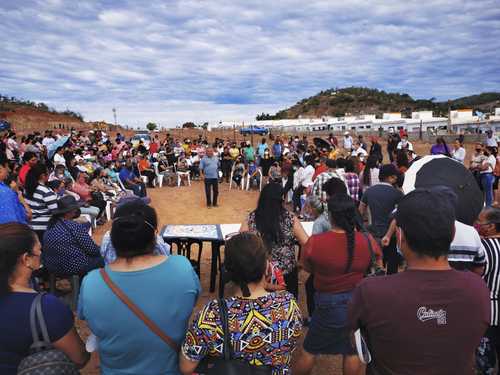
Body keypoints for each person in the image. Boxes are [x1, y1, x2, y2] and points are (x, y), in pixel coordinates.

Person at [348, 188, 490, 375]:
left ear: (400, 236)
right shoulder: (477, 288)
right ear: (453, 232)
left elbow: (355, 340)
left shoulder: (370, 291)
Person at [78, 203, 200, 374]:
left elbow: (88, 319)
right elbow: (192, 301)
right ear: (154, 236)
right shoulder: (182, 268)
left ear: (112, 237)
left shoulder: (92, 282)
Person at [180, 232, 303, 374]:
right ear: (267, 267)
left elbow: (186, 367)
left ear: (228, 271)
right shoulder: (289, 305)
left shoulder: (212, 315)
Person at [294, 195, 382, 375]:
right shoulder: (366, 240)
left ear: (331, 215)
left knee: (310, 349)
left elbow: (307, 266)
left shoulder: (316, 242)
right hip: (357, 302)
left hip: (328, 302)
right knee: (351, 349)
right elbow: (378, 263)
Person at [0, 223, 89, 374]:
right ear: (26, 259)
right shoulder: (46, 307)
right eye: (39, 249)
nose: (41, 253)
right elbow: (79, 358)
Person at [240, 183, 308, 298]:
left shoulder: (252, 218)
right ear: (281, 199)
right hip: (286, 273)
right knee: (287, 307)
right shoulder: (290, 218)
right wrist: (301, 263)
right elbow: (306, 242)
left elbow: (240, 241)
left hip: (259, 273)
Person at [43, 196, 104, 276]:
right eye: (75, 208)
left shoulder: (51, 225)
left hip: (51, 266)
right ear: (69, 211)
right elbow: (92, 250)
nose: (76, 210)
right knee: (102, 259)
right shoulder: (73, 226)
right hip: (72, 267)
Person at [359, 164, 403, 274]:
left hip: (373, 234)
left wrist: (362, 231)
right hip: (391, 235)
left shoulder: (369, 191)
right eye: (394, 176)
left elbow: (359, 212)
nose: (396, 178)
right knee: (392, 267)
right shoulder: (397, 194)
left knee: (376, 266)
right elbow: (398, 216)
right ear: (390, 177)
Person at [100, 198, 170, 264]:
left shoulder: (107, 239)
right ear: (153, 235)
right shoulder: (159, 244)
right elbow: (165, 253)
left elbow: (103, 255)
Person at [24, 163, 58, 241]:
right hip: (43, 227)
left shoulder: (27, 188)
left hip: (30, 225)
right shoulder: (46, 191)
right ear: (43, 175)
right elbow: (56, 211)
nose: (49, 174)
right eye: (48, 172)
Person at [0, 154, 29, 224]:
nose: (9, 170)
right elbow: (28, 215)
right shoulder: (6, 192)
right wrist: (17, 192)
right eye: (7, 167)